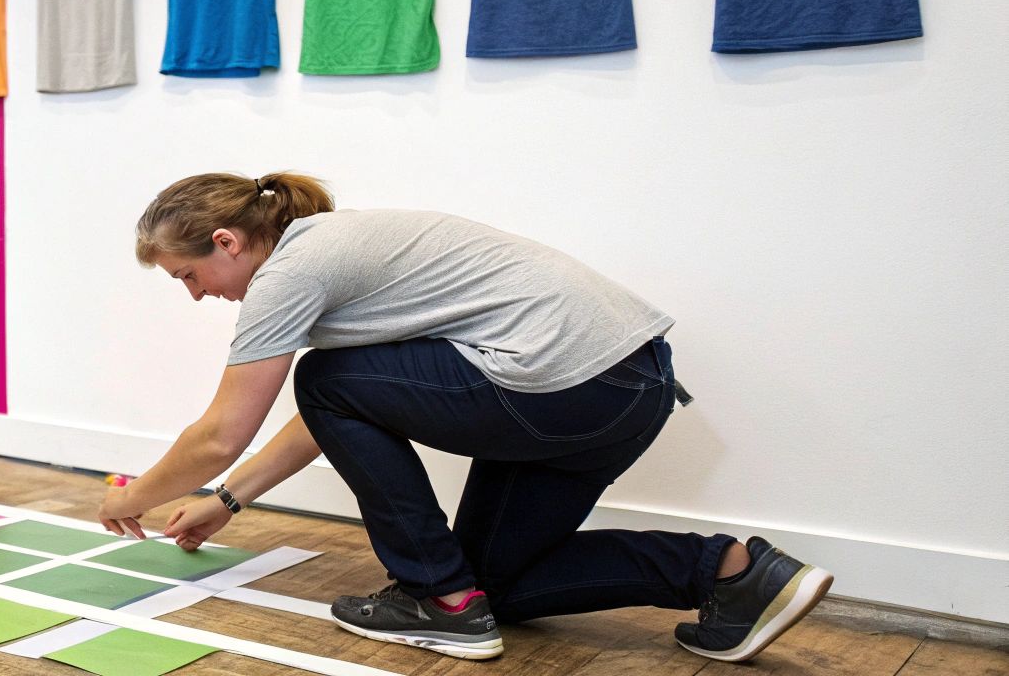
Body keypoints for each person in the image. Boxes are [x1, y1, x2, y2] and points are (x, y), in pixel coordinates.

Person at [97, 171, 833, 662]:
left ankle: (436, 598)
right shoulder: (340, 253)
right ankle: (734, 573)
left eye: (188, 275)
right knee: (497, 588)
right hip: (623, 388)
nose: (195, 294)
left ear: (225, 243)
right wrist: (228, 499)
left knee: (325, 379)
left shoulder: (293, 270)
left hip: (561, 386)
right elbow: (334, 410)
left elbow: (223, 432)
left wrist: (132, 499)